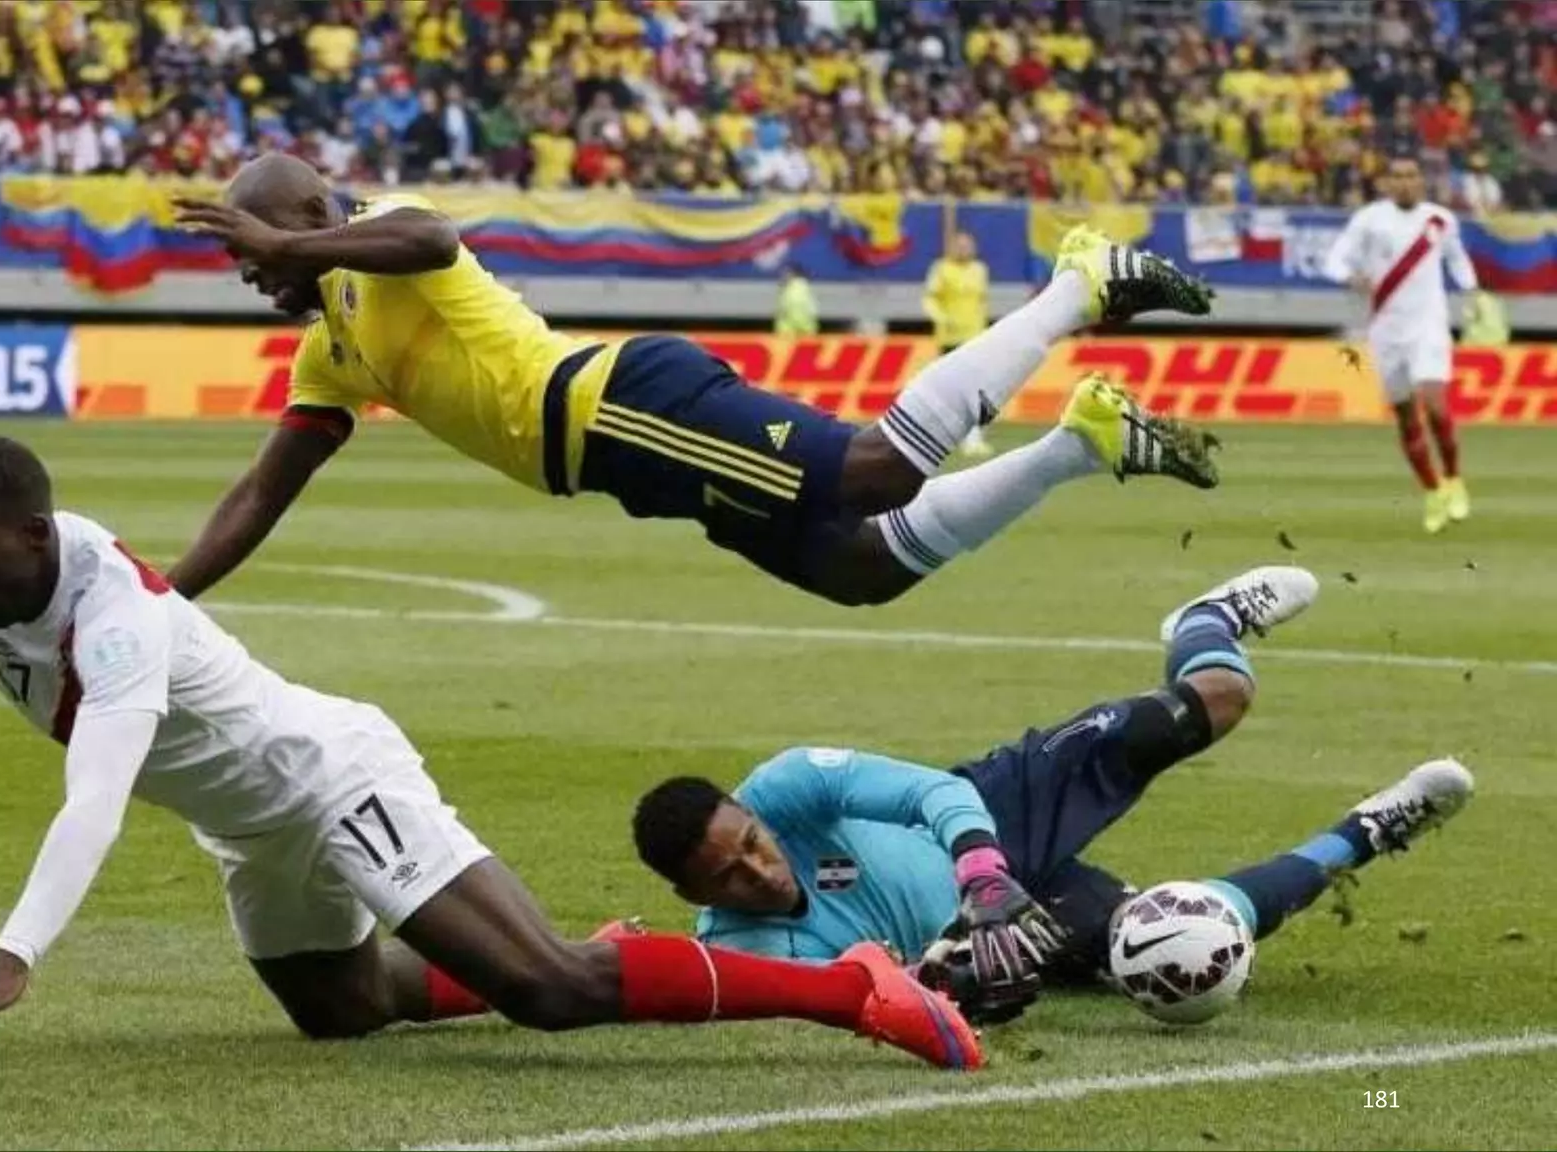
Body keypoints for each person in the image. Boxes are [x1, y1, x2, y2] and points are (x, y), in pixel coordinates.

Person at [0, 435, 983, 1071]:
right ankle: (554, 943)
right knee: (344, 1012)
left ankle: (847, 997)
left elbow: (95, 793)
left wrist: (17, 951)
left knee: (553, 997)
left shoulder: (116, 614)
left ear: (31, 535)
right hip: (254, 828)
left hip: (332, 780)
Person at [169, 154, 1218, 612]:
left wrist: (291, 243)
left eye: (258, 246)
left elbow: (433, 235)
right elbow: (261, 494)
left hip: (611, 403)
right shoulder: (327, 352)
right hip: (623, 465)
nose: (252, 270)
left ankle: (1077, 284)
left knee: (877, 472)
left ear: (310, 216)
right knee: (861, 570)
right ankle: (1078, 441)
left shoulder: (377, 235)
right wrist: (165, 599)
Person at [627, 566, 1474, 1022]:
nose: (759, 871)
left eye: (753, 844)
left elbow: (927, 792)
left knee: (1218, 701)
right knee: (1184, 946)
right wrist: (951, 980)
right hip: (988, 939)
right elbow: (867, 990)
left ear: (751, 816)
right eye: (728, 876)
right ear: (692, 896)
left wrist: (985, 873)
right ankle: (1367, 831)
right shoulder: (741, 949)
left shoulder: (787, 786)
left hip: (991, 811)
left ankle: (1204, 622)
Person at [1324, 156, 1478, 534]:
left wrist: (1472, 293)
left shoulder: (1439, 219)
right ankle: (1433, 490)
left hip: (1429, 325)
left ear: (1421, 181)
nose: (1406, 183)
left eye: (1412, 176)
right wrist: (1351, 277)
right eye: (1398, 177)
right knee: (1407, 416)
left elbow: (1458, 260)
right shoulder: (1369, 220)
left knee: (1436, 406)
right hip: (1386, 330)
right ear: (1387, 183)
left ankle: (1455, 479)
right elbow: (1334, 260)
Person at [923, 220, 996, 459]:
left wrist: (986, 331)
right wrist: (942, 318)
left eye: (968, 245)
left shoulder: (980, 270)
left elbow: (982, 303)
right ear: (952, 247)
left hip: (975, 338)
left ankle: (973, 439)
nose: (965, 249)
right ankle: (946, 437)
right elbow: (929, 300)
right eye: (960, 245)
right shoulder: (941, 268)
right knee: (952, 391)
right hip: (950, 338)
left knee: (977, 391)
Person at [774, 263, 818, 337]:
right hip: (806, 328)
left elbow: (785, 309)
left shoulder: (791, 289)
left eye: (786, 273)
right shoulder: (805, 287)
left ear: (793, 274)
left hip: (788, 330)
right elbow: (812, 310)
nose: (783, 276)